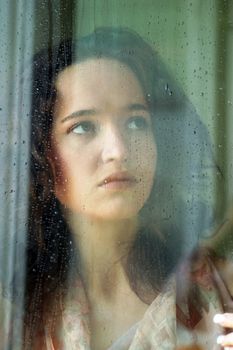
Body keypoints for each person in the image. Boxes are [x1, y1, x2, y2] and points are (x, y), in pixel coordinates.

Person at [25, 27, 231, 349]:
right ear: (40, 152)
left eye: (136, 122)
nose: (118, 150)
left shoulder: (219, 285)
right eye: (83, 127)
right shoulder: (18, 307)